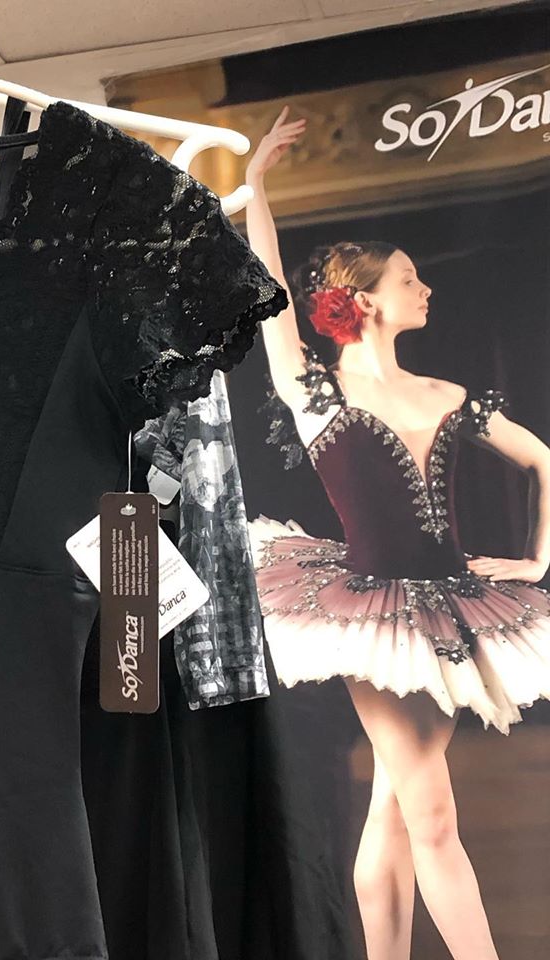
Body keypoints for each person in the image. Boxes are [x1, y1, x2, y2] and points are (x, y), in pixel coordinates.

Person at [242, 106, 550, 960]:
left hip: (455, 606)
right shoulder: (314, 391)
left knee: (393, 805)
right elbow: (268, 291)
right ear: (364, 301)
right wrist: (255, 185)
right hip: (371, 613)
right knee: (433, 813)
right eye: (409, 280)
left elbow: (544, 458)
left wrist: (539, 559)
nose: (426, 290)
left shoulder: (447, 395)